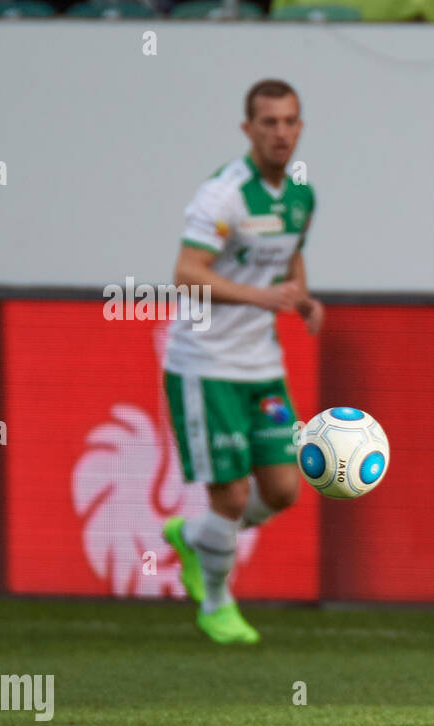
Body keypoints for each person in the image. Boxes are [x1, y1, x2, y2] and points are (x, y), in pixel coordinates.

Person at [161, 78, 324, 645]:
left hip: (262, 366)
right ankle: (216, 601)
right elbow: (186, 274)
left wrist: (302, 298)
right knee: (229, 496)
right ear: (248, 129)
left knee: (282, 488)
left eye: (289, 121)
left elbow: (290, 254)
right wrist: (265, 298)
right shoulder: (223, 195)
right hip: (205, 364)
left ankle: (196, 537)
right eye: (269, 122)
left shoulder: (301, 195)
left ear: (300, 127)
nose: (281, 132)